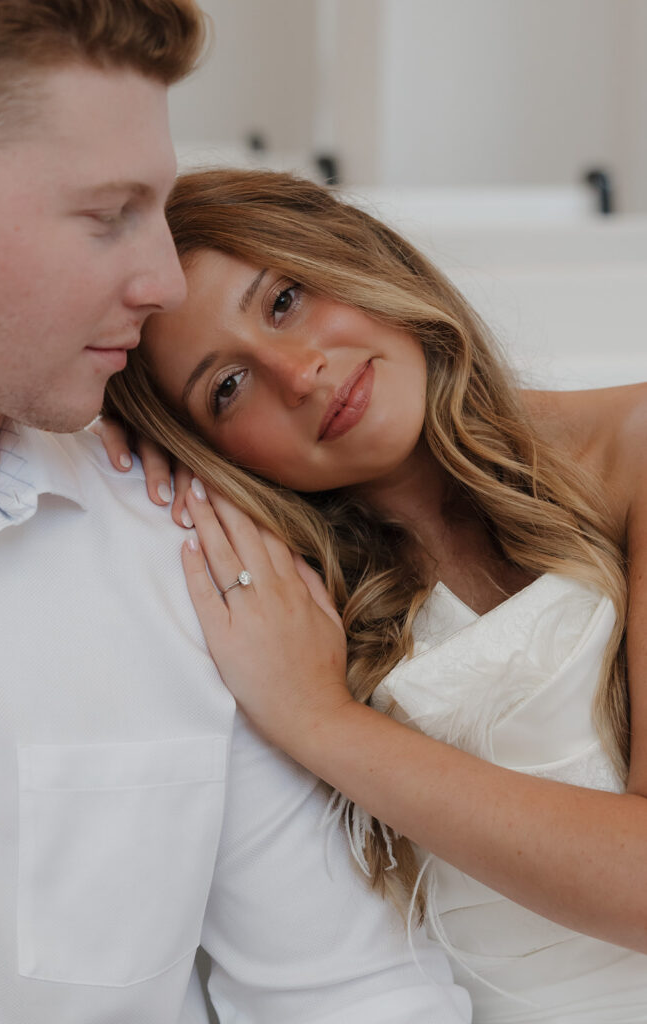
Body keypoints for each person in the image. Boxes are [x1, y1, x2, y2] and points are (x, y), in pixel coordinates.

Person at [0, 4, 473, 1022]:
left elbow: (353, 995)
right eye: (107, 215)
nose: (162, 278)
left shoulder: (196, 560)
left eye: (159, 208)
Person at [99, 167, 647, 1022]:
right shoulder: (278, 610)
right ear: (207, 451)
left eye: (283, 300)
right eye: (227, 388)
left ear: (355, 255)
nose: (298, 373)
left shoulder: (635, 449)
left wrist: (323, 722)